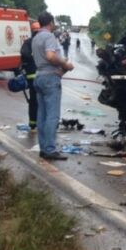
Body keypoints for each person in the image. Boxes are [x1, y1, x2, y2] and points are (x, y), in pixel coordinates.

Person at [32, 12, 74, 160]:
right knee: (52, 116)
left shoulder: (36, 37)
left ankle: (43, 148)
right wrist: (65, 64)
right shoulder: (49, 36)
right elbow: (50, 56)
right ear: (50, 23)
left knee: (42, 115)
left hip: (39, 77)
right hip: (50, 78)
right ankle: (50, 149)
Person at [20, 21, 41, 130]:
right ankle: (44, 124)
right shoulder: (44, 42)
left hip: (32, 77)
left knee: (33, 101)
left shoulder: (28, 43)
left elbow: (24, 55)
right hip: (43, 77)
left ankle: (33, 124)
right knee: (44, 101)